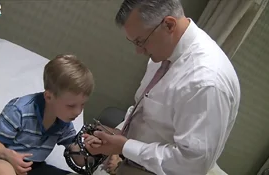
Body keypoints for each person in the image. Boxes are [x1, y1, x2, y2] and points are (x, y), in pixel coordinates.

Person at [86, 0, 241, 175]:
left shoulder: (206, 82)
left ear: (169, 24)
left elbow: (190, 164)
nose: (139, 51)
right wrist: (119, 134)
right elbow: (145, 108)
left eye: (141, 41)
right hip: (134, 157)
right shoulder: (164, 53)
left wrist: (125, 146)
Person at [0, 54, 102, 175]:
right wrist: (8, 155)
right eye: (71, 106)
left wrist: (88, 150)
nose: (78, 112)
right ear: (49, 97)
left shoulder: (64, 123)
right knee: (2, 170)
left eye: (83, 105)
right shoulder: (19, 110)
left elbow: (77, 158)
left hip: (32, 166)